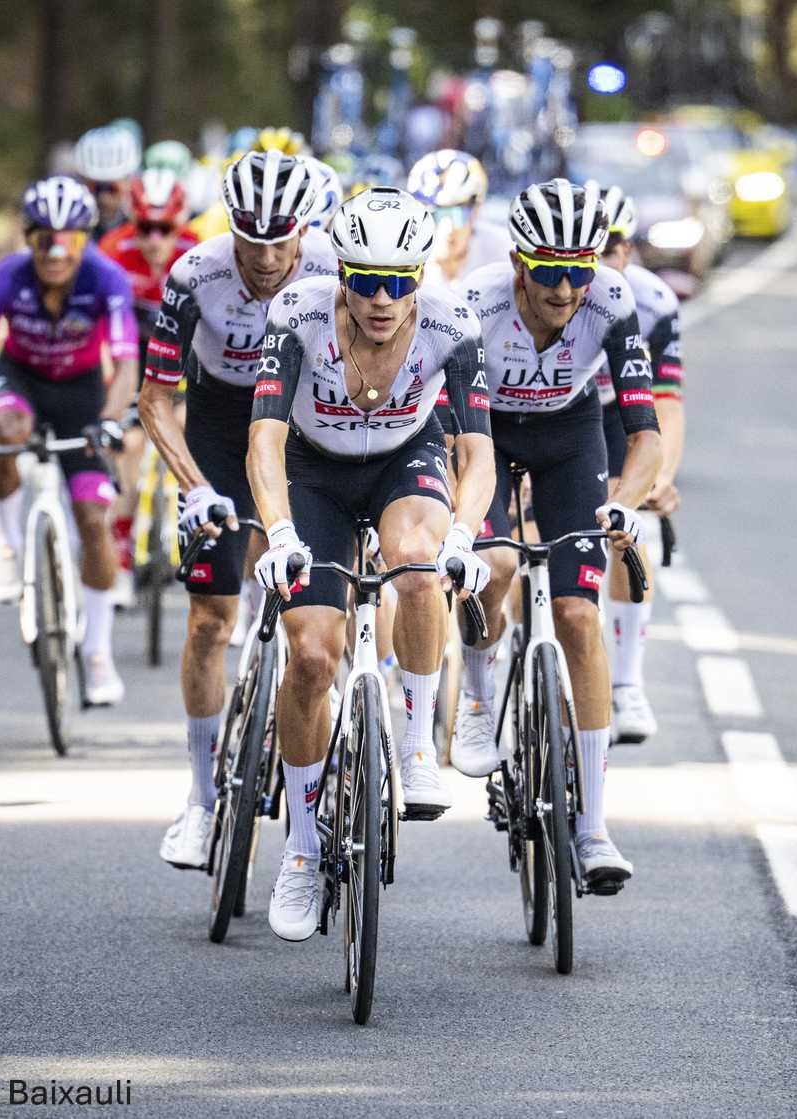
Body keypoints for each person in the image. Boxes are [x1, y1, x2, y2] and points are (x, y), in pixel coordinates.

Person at [246, 185, 495, 941]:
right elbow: (265, 440)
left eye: (399, 281)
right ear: (342, 273)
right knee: (313, 661)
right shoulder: (297, 312)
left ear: (419, 275)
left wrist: (466, 535)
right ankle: (298, 851)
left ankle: (419, 743)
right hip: (316, 472)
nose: (383, 299)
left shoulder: (452, 321)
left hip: (403, 462)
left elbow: (477, 452)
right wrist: (282, 533)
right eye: (367, 281)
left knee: (419, 564)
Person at [448, 179, 664, 891]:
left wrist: (625, 504)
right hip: (488, 433)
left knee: (578, 615)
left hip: (572, 436)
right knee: (499, 564)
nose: (568, 288)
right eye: (551, 272)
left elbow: (644, 433)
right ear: (519, 264)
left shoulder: (611, 298)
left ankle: (595, 826)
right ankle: (478, 701)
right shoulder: (474, 303)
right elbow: (451, 428)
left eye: (582, 269)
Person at [137, 150, 339, 871]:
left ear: (304, 229)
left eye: (280, 239)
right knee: (208, 620)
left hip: (307, 424)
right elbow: (155, 398)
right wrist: (194, 486)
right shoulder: (194, 273)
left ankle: (331, 744)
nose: (265, 257)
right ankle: (198, 798)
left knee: (321, 627)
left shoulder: (333, 264)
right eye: (250, 240)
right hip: (222, 426)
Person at [0, 177, 138, 703]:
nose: (56, 252)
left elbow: (126, 364)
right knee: (2, 433)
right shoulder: (4, 277)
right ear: (26, 237)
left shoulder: (107, 278)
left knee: (94, 523)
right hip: (23, 382)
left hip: (82, 394)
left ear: (86, 240)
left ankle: (98, 653)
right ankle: (8, 545)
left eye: (70, 240)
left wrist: (108, 418)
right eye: (43, 240)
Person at [593, 185, 685, 743]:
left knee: (629, 533)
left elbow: (666, 406)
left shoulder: (653, 303)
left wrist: (660, 478)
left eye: (613, 247)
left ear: (628, 251)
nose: (603, 260)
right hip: (552, 408)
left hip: (616, 416)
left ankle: (627, 683)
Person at [99, 168, 199, 590]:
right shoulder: (113, 251)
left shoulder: (196, 251)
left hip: (185, 351)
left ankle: (190, 528)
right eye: (146, 228)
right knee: (132, 450)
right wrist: (112, 389)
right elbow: (100, 331)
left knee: (186, 431)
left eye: (165, 229)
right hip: (132, 351)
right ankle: (120, 556)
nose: (155, 239)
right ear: (131, 222)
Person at [406, 149, 511, 289]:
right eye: (435, 214)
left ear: (477, 210)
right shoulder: (403, 263)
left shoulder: (504, 252)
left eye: (459, 213)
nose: (448, 227)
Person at [74, 126, 140, 237]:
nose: (104, 198)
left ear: (129, 182)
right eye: (96, 187)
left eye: (113, 188)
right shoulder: (74, 224)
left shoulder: (144, 227)